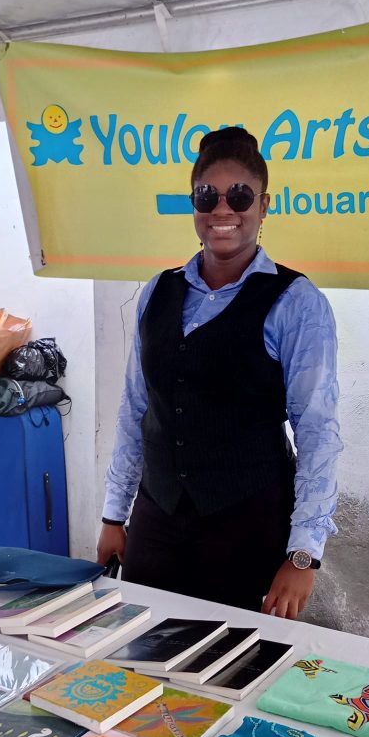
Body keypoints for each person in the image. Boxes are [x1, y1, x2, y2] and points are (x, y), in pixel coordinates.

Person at [96, 127, 342, 620]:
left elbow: (318, 431)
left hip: (247, 527)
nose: (222, 209)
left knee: (233, 658)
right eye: (207, 196)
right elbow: (135, 409)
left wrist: (304, 554)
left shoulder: (296, 302)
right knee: (138, 644)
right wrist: (113, 515)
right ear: (194, 204)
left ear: (263, 205)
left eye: (240, 195)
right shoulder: (157, 292)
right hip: (157, 519)